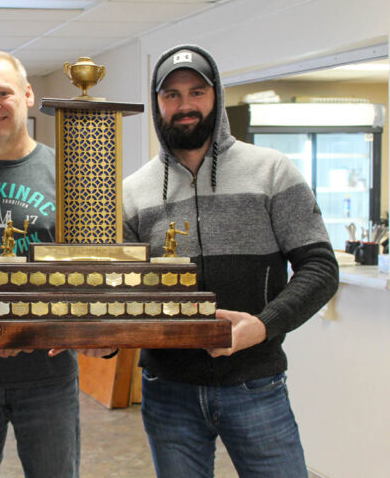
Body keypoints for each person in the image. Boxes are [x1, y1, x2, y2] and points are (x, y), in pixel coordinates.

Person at [122, 45, 339, 477]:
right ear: (157, 103)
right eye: (172, 95)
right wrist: (104, 337)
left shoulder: (272, 172)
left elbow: (320, 269)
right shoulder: (133, 192)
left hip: (255, 383)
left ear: (216, 96)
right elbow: (127, 289)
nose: (185, 106)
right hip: (169, 392)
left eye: (196, 92)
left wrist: (263, 325)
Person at [0, 51, 114, 478]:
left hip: (48, 376)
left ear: (29, 95)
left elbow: (97, 272)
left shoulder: (70, 175)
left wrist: (96, 329)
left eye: (3, 93)